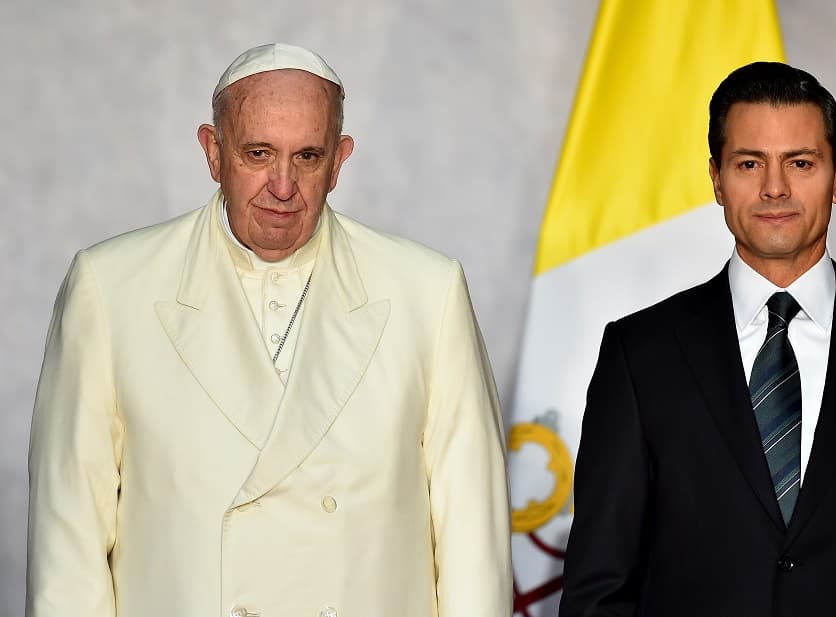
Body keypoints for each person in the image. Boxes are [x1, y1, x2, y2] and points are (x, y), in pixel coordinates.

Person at [27, 43, 512, 617]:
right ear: (213, 152)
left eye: (307, 156)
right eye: (257, 153)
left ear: (339, 161)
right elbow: (68, 543)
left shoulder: (427, 292)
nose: (283, 186)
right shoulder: (111, 288)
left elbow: (472, 542)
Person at [559, 62, 836, 616]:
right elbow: (597, 591)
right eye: (749, 163)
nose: (775, 187)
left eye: (800, 163)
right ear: (717, 179)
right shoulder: (640, 355)